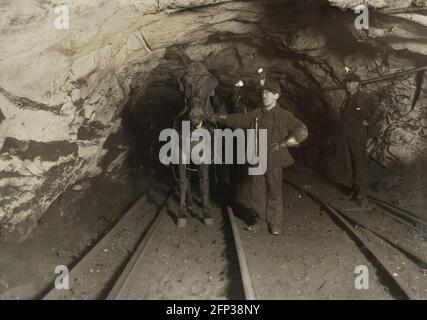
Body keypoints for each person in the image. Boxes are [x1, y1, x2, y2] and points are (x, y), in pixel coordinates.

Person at [209, 79, 308, 235]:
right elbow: (238, 119)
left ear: (276, 96)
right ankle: (260, 221)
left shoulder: (284, 115)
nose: (264, 95)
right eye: (263, 93)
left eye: (268, 93)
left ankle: (275, 223)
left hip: (274, 159)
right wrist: (218, 117)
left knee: (274, 191)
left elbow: (302, 130)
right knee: (257, 192)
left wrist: (283, 144)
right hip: (257, 157)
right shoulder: (257, 113)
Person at [341, 72, 381, 209]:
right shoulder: (347, 99)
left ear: (357, 84)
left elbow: (380, 109)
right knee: (349, 164)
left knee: (360, 165)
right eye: (347, 82)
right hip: (347, 135)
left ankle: (363, 196)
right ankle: (354, 191)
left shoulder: (364, 97)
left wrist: (369, 121)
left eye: (351, 82)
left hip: (358, 135)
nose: (348, 85)